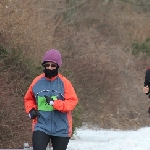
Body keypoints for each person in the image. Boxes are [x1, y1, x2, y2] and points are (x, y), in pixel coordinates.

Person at [24, 49, 78, 150]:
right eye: (47, 65)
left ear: (58, 66)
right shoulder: (37, 81)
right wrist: (31, 110)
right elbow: (28, 99)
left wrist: (55, 103)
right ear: (44, 65)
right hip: (41, 125)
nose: (50, 68)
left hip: (61, 128)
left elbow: (72, 102)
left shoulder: (64, 83)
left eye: (53, 65)